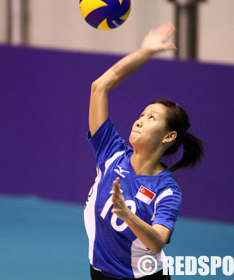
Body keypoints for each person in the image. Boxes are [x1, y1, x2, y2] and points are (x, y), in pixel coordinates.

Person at [84, 23, 204, 280]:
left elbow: (157, 241)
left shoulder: (167, 190)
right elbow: (99, 87)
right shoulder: (111, 153)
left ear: (168, 136)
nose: (139, 120)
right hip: (99, 274)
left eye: (152, 118)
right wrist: (144, 52)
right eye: (141, 114)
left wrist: (128, 216)